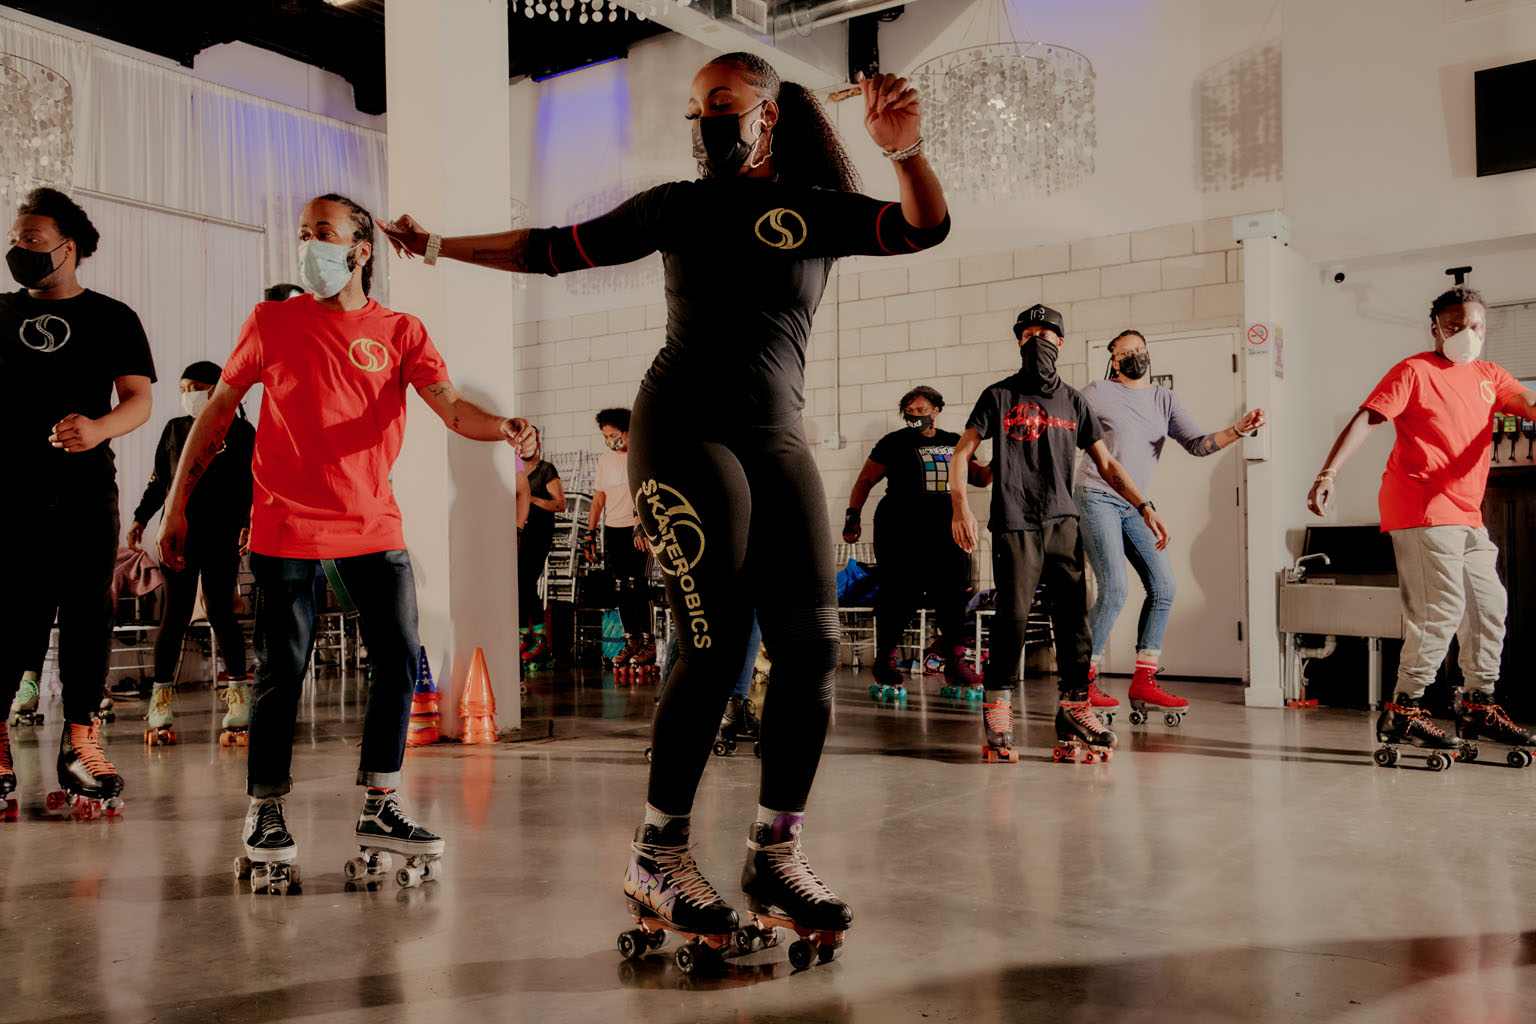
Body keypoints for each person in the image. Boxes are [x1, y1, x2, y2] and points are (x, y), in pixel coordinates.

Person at [382, 56, 950, 958]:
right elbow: (551, 248)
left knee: (810, 647)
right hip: (683, 426)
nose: (703, 123)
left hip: (777, 434)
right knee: (718, 643)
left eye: (720, 107)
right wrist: (441, 246)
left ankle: (775, 852)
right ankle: (659, 850)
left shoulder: (811, 205)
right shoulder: (675, 206)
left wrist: (906, 149)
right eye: (693, 110)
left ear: (768, 115)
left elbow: (923, 229)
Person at [157, 193, 535, 889]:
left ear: (361, 249)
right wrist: (176, 506)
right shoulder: (273, 321)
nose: (308, 245)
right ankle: (265, 809)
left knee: (397, 659)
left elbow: (451, 408)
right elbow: (218, 410)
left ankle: (382, 803)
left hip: (370, 524)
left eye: (322, 233)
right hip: (283, 524)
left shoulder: (399, 331)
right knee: (285, 668)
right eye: (303, 233)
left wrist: (506, 427)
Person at [1307, 285, 1536, 761]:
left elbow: (1528, 405)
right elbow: (1365, 420)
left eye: (1474, 326)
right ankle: (1404, 709)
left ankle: (1478, 705)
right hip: (1422, 509)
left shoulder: (1489, 374)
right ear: (1435, 328)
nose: (1465, 335)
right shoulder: (1414, 371)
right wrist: (1328, 473)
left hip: (1468, 515)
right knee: (1439, 611)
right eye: (1453, 327)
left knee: (1490, 606)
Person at [950, 304, 1169, 764]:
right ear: (1019, 342)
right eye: (1029, 333)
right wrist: (960, 506)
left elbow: (1107, 464)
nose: (1038, 340)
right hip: (1015, 521)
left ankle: (1074, 707)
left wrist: (1143, 505)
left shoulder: (1074, 400)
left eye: (1046, 333)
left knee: (1073, 620)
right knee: (1013, 617)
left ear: (1061, 343)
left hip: (1061, 521)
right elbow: (962, 450)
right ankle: (998, 706)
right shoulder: (999, 395)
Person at [1, 188, 155, 814]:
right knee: (13, 615)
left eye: (32, 240)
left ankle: (80, 744)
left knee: (89, 617)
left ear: (70, 248)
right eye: (15, 239)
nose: (19, 249)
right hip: (10, 493)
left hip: (88, 492)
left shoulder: (113, 317)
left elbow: (138, 399)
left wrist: (96, 429)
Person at [1076, 330, 1266, 723]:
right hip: (1097, 496)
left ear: (1148, 353)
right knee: (1114, 589)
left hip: (1135, 504)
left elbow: (1197, 444)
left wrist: (1239, 430)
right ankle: (1080, 681)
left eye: (1139, 350)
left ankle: (1144, 679)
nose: (1133, 357)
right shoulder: (1095, 392)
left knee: (1164, 587)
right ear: (1113, 360)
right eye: (1124, 352)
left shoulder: (1164, 399)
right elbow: (1067, 436)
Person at [119, 360, 256, 745]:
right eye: (181, 389)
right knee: (175, 615)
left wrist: (249, 520)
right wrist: (141, 518)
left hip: (222, 535)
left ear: (214, 389)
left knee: (219, 612)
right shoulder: (175, 429)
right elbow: (159, 480)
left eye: (193, 387)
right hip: (177, 536)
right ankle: (160, 698)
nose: (186, 396)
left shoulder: (241, 431)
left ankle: (238, 697)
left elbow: (252, 483)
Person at [843, 385, 989, 700]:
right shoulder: (894, 443)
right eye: (910, 412)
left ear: (937, 409)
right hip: (900, 529)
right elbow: (866, 479)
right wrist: (852, 516)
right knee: (899, 595)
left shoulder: (954, 441)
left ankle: (955, 662)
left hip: (946, 531)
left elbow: (979, 477)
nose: (916, 416)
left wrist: (1007, 454)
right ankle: (885, 662)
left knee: (951, 597)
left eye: (922, 411)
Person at [586, 409, 655, 674]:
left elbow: (648, 492)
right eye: (605, 436)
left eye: (613, 435)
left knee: (640, 584)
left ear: (627, 432)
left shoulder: (642, 455)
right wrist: (590, 533)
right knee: (620, 587)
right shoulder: (605, 461)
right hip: (613, 529)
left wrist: (642, 525)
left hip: (638, 529)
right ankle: (632, 641)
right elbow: (599, 498)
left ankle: (648, 643)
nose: (609, 440)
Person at [519, 430, 565, 670]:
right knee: (516, 583)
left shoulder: (546, 469)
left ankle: (540, 639)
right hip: (518, 535)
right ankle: (522, 635)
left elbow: (560, 504)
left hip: (538, 535)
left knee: (526, 583)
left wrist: (530, 499)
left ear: (537, 443)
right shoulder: (514, 470)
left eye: (531, 440)